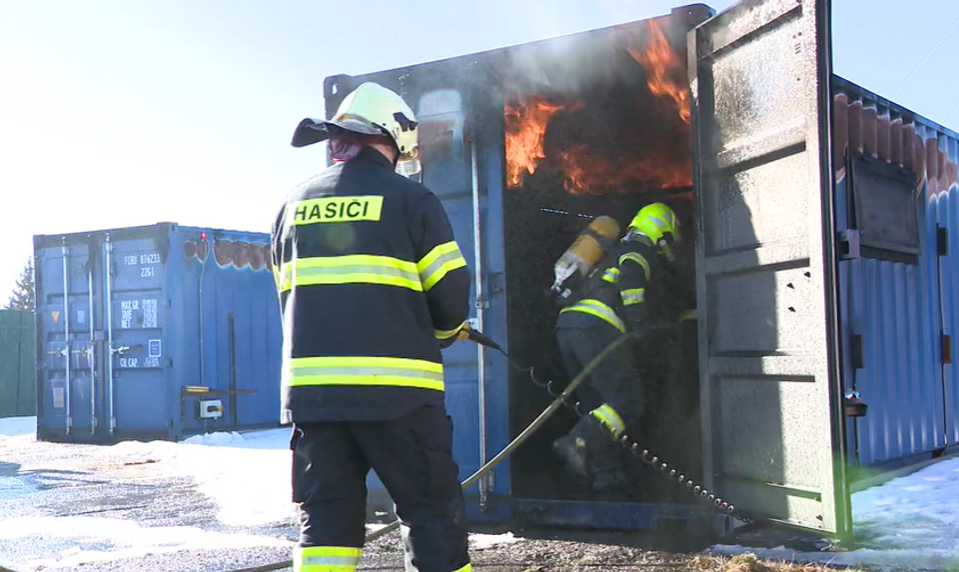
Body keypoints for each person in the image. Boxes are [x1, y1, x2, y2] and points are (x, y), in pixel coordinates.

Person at [270, 81, 473, 572]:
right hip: (398, 397)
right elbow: (449, 295)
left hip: (316, 400)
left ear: (341, 139)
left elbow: (289, 298)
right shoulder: (412, 200)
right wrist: (446, 334)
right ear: (394, 138)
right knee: (430, 515)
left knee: (325, 527)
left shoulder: (290, 207)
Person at [550, 202, 684, 498]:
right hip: (596, 327)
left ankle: (606, 476)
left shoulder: (607, 257)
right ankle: (577, 441)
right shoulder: (639, 249)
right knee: (628, 401)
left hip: (568, 328)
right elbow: (631, 279)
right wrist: (638, 322)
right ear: (661, 232)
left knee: (598, 405)